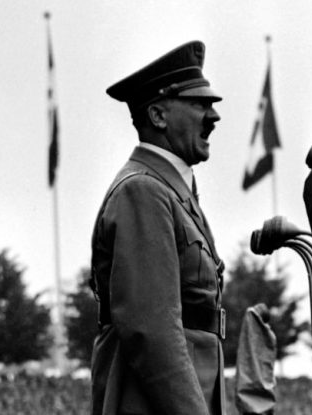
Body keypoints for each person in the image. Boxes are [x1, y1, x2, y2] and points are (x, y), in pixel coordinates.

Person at [90, 41, 226, 415]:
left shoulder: (171, 191)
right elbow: (152, 331)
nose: (213, 116)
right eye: (199, 104)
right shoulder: (144, 191)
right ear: (158, 115)